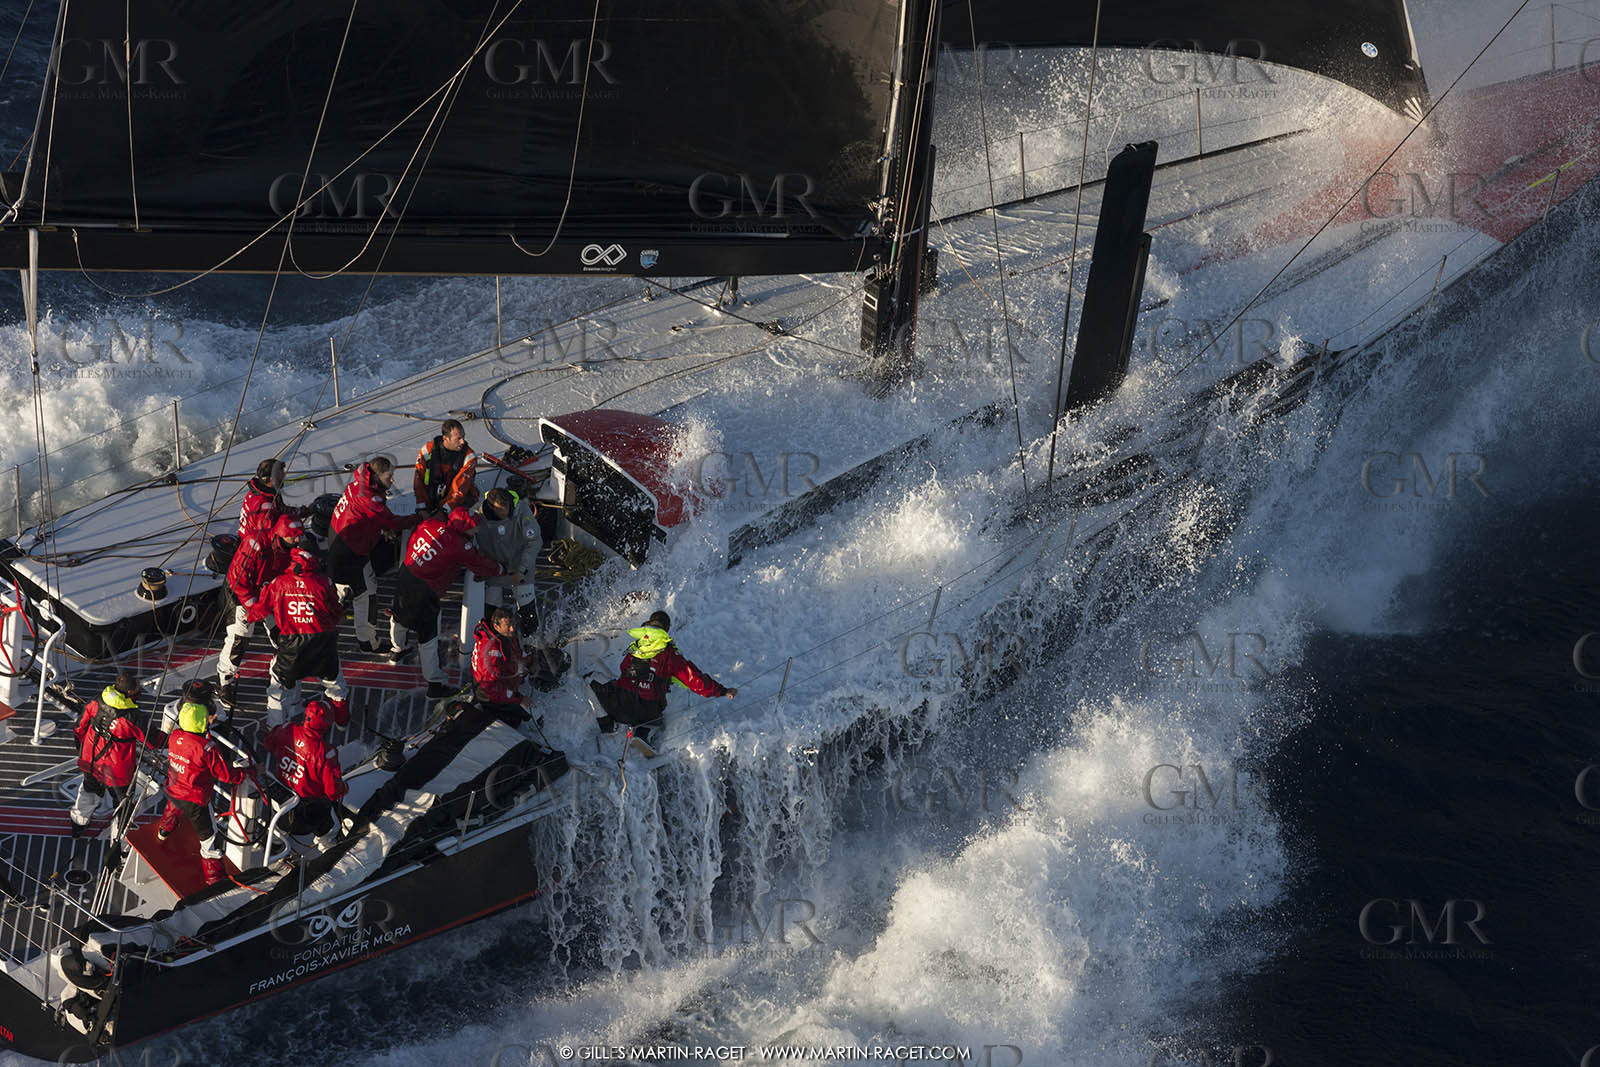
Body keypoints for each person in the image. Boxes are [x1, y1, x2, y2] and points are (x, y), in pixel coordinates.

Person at [390, 507, 515, 699]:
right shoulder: (458, 545)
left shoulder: (430, 524)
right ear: (465, 528)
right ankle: (434, 684)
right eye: (474, 527)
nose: (476, 531)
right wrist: (502, 568)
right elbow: (479, 563)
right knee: (428, 639)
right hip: (424, 592)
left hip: (406, 575)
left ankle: (397, 650)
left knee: (399, 617)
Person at [589, 611, 736, 748]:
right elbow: (695, 680)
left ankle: (607, 724)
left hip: (621, 707)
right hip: (649, 712)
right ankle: (644, 733)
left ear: (649, 623)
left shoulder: (635, 646)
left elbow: (623, 670)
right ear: (666, 629)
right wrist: (722, 691)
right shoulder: (670, 653)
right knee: (660, 700)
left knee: (590, 679)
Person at [247, 548, 351, 729]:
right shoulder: (324, 582)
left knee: (277, 690)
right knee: (336, 685)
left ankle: (274, 729)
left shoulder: (278, 582)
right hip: (322, 643)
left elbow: (260, 609)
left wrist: (248, 617)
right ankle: (342, 722)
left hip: (291, 645)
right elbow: (336, 611)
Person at [474, 486, 566, 689]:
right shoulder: (478, 514)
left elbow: (535, 541)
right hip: (494, 570)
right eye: (499, 509)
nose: (503, 513)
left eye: (506, 508)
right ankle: (493, 650)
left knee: (527, 609)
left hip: (520, 570)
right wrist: (482, 566)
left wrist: (521, 570)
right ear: (490, 506)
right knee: (491, 613)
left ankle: (529, 648)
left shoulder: (521, 510)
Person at [329, 457, 420, 653]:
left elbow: (365, 515)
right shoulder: (370, 498)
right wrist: (419, 518)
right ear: (377, 476)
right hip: (351, 554)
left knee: (338, 591)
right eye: (389, 476)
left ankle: (326, 625)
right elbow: (393, 522)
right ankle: (368, 642)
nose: (393, 480)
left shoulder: (357, 483)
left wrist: (379, 529)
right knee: (367, 595)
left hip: (337, 544)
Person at [157, 699, 250, 886]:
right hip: (196, 801)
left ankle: (164, 830)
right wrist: (247, 772)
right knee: (209, 841)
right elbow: (225, 775)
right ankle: (215, 881)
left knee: (173, 808)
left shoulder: (174, 737)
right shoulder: (207, 748)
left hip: (174, 789)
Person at [217, 514, 303, 706]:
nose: (298, 540)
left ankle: (282, 671)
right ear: (281, 535)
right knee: (239, 638)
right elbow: (240, 579)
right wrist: (253, 607)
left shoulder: (293, 549)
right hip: (240, 593)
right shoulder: (254, 544)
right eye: (293, 536)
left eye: (299, 535)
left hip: (269, 592)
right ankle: (224, 682)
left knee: (284, 636)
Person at [69, 672, 148, 837]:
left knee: (89, 790)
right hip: (118, 773)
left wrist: (82, 751)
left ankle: (78, 824)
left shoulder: (97, 701)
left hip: (90, 760)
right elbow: (154, 740)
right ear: (131, 693)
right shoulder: (133, 718)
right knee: (123, 803)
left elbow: (79, 727)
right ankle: (118, 838)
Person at [264, 698, 348, 848]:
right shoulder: (326, 753)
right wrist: (344, 787)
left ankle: (274, 847)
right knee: (332, 827)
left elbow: (268, 743)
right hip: (304, 816)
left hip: (278, 803)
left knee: (276, 830)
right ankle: (327, 849)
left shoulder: (286, 729)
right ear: (326, 725)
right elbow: (333, 792)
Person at [471, 607, 532, 727]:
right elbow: (490, 687)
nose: (512, 629)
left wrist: (532, 661)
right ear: (496, 626)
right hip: (488, 696)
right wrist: (518, 698)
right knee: (517, 719)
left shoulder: (507, 635)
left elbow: (517, 655)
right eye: (508, 625)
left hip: (504, 682)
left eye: (513, 624)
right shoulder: (491, 649)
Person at [413, 418, 478, 517]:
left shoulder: (469, 457)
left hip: (459, 501)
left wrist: (443, 511)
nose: (463, 442)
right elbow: (418, 480)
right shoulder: (427, 450)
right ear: (445, 439)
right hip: (434, 497)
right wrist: (422, 507)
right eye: (458, 438)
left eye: (463, 437)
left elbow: (459, 489)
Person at [238, 458, 298, 540]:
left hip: (247, 536)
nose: (284, 475)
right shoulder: (265, 506)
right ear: (271, 478)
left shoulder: (260, 492)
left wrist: (303, 511)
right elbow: (269, 537)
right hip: (254, 545)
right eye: (281, 474)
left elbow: (280, 511)